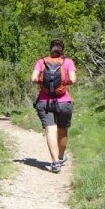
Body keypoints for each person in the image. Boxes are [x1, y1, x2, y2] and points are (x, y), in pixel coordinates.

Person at [31, 39, 77, 173]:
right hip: (64, 102)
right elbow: (73, 80)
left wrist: (42, 81)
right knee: (62, 131)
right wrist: (63, 81)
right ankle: (61, 157)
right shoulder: (68, 62)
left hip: (44, 102)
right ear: (63, 50)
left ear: (50, 49)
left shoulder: (41, 61)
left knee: (50, 130)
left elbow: (33, 78)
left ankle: (55, 162)